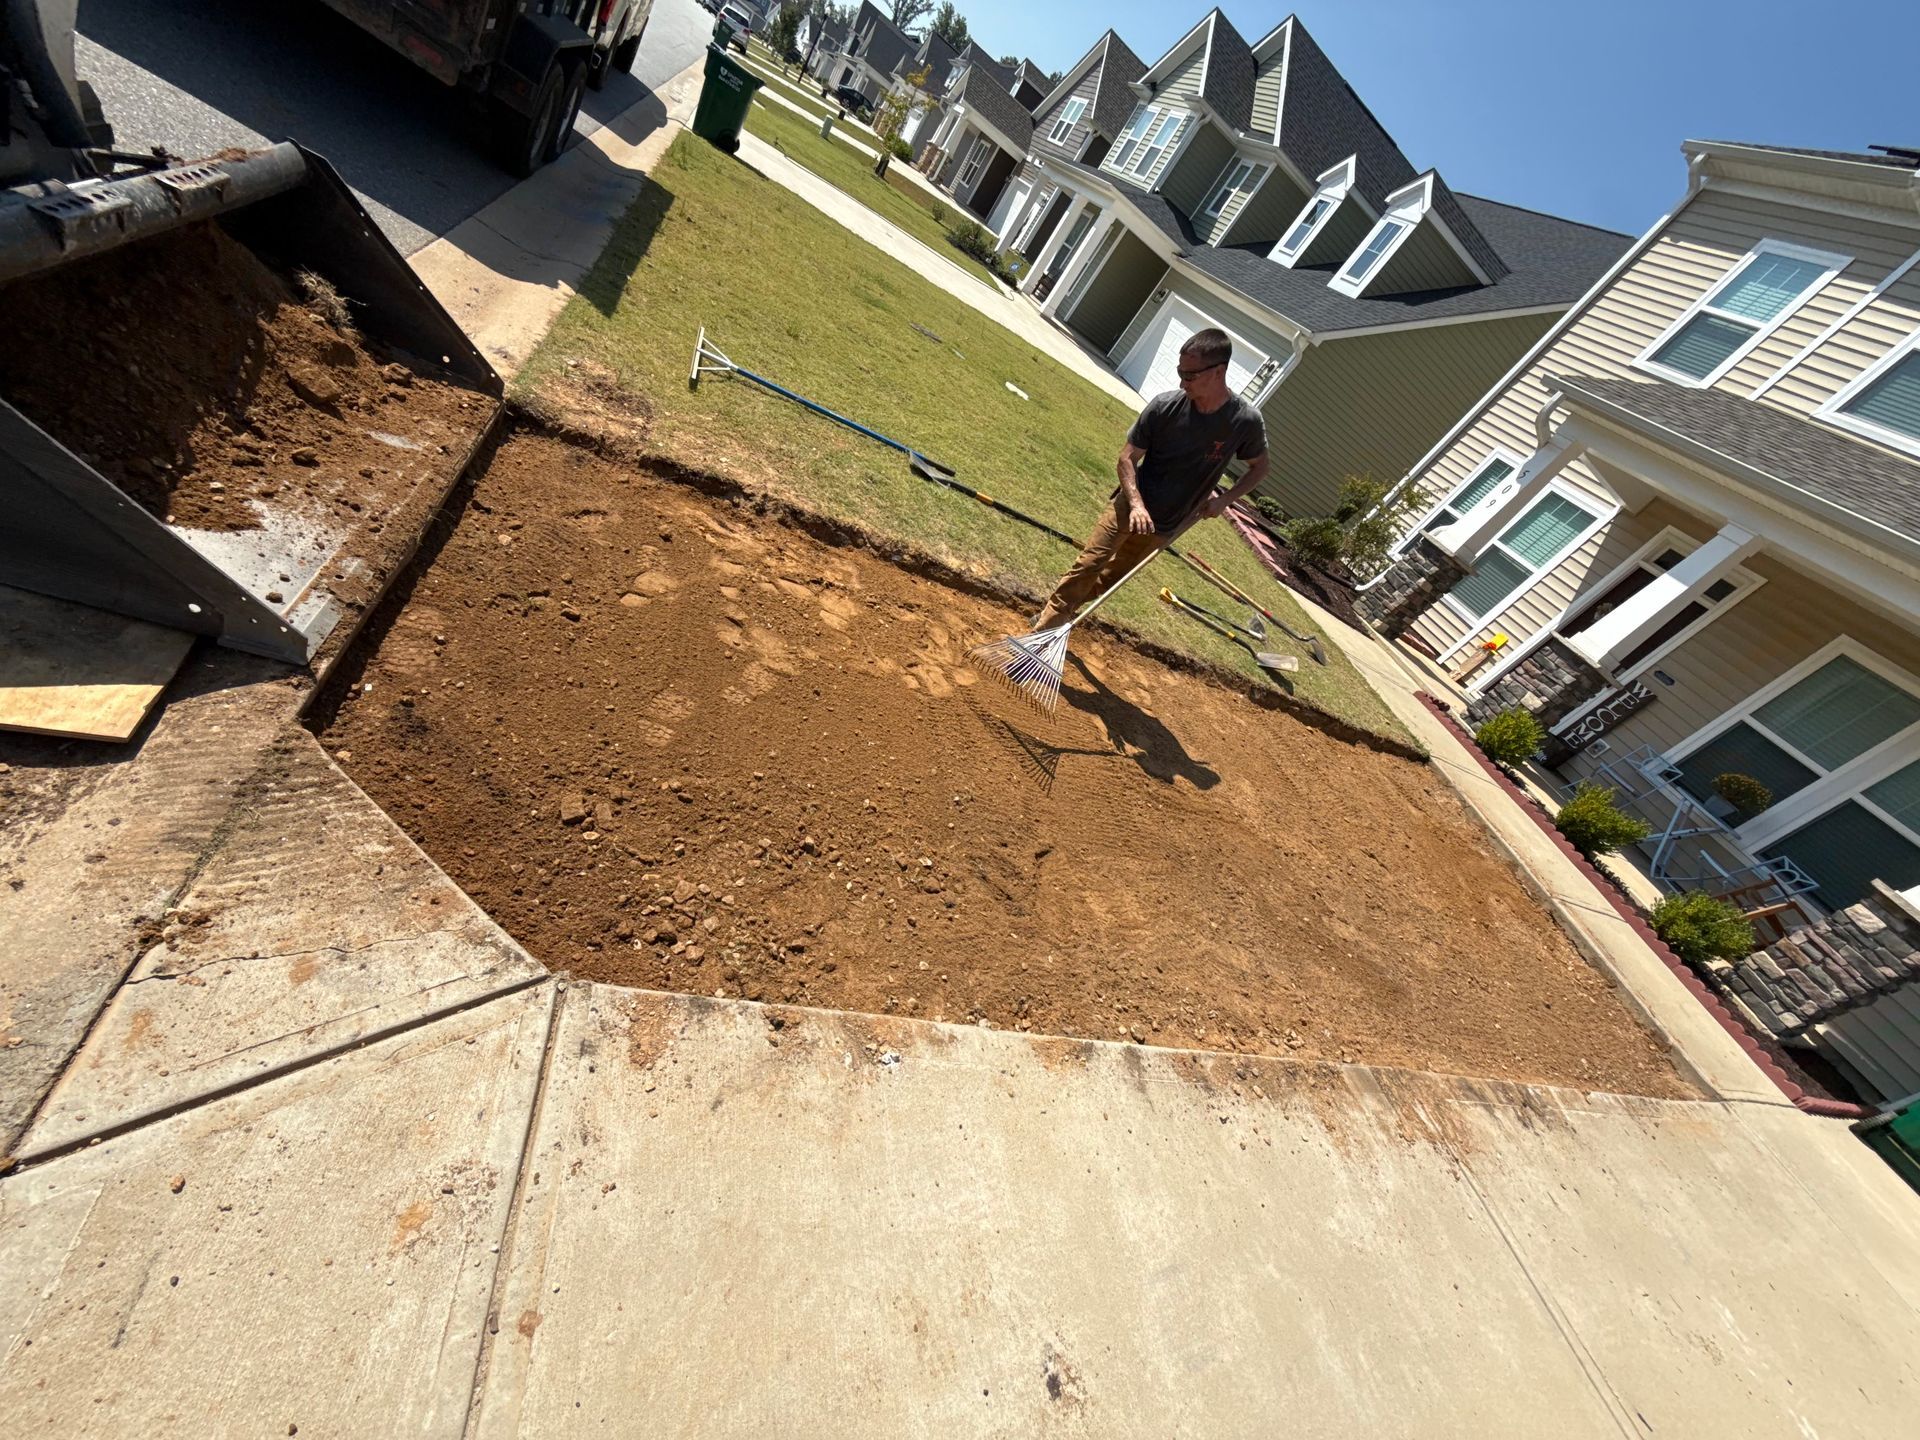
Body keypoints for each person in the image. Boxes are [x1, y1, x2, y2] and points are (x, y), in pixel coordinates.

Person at [1032, 329, 1270, 631]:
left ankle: (1060, 618)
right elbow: (1126, 458)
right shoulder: (1165, 406)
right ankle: (1042, 630)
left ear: (1218, 371)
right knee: (1089, 564)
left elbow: (1259, 468)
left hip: (1168, 522)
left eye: (1190, 375)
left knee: (1112, 579)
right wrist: (1136, 504)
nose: (1182, 382)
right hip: (1129, 505)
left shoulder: (1244, 421)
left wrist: (1225, 499)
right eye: (1179, 372)